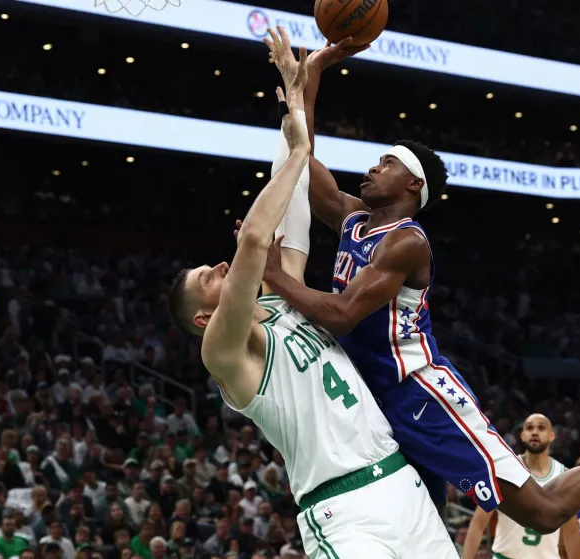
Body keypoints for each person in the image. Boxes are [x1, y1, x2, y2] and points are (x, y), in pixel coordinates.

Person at [256, 31, 580, 534]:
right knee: (414, 525)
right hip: (372, 397)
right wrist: (312, 79)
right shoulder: (353, 217)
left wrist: (275, 275)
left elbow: (344, 313)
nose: (371, 167)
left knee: (538, 512)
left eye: (386, 162)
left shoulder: (407, 242)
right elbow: (300, 161)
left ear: (413, 185)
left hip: (418, 392)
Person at [167, 32, 456, 558]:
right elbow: (256, 239)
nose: (218, 266)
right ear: (206, 318)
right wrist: (300, 144)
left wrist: (296, 93)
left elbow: (292, 192)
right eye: (207, 278)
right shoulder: (227, 352)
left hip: (400, 482)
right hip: (340, 508)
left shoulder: (283, 298)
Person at [462, 414, 580, 559]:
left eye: (541, 428)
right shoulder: (504, 470)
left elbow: (571, 531)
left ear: (551, 436)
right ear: (523, 435)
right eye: (530, 428)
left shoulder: (564, 476)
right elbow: (479, 523)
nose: (535, 432)